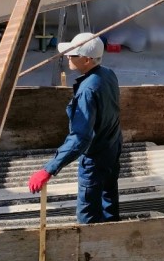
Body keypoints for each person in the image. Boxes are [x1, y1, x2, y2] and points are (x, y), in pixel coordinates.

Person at [28, 32, 123, 224]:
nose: (67, 57)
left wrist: (49, 169)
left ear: (87, 60)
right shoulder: (107, 74)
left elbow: (80, 137)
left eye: (72, 54)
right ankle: (113, 238)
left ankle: (90, 251)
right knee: (108, 199)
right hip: (111, 148)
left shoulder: (87, 90)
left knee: (87, 216)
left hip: (95, 158)